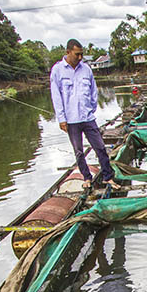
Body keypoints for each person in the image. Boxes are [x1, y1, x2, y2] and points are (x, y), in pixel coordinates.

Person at [50, 38, 116, 190]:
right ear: (68, 52)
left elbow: (94, 92)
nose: (80, 58)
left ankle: (108, 177)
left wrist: (91, 108)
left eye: (81, 55)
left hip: (87, 117)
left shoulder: (86, 69)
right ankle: (86, 177)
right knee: (79, 151)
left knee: (100, 147)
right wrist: (61, 118)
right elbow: (56, 96)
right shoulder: (58, 70)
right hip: (71, 119)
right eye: (77, 54)